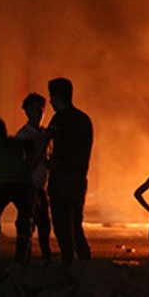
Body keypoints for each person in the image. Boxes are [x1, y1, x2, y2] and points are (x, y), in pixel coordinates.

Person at [47, 77, 92, 264]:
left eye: (51, 96)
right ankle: (84, 261)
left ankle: (68, 262)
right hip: (79, 179)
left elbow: (49, 143)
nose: (50, 101)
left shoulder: (59, 119)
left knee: (61, 225)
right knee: (75, 223)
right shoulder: (84, 120)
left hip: (62, 180)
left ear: (58, 96)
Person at [14, 93, 52, 261]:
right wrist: (42, 146)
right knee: (26, 226)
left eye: (40, 109)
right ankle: (22, 262)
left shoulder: (44, 133)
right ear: (27, 112)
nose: (37, 112)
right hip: (27, 187)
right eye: (33, 109)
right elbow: (26, 165)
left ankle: (44, 261)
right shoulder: (23, 136)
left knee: (44, 227)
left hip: (41, 187)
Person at [0, 118, 34, 264]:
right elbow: (32, 148)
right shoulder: (15, 142)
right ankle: (22, 255)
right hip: (23, 183)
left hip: (0, 183)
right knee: (24, 219)